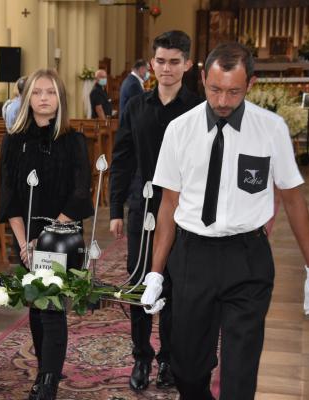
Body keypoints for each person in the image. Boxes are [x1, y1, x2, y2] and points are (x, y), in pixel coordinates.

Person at [143, 41, 309, 399]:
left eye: (234, 92)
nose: (224, 101)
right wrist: (155, 271)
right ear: (201, 79)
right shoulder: (180, 130)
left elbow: (293, 199)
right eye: (215, 90)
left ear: (251, 85)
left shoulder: (270, 129)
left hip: (247, 257)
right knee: (186, 366)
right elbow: (168, 204)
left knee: (240, 371)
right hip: (192, 256)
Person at [109, 30, 201, 393]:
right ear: (152, 64)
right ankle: (141, 357)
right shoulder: (136, 107)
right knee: (138, 284)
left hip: (183, 210)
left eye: (174, 62)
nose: (166, 68)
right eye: (161, 61)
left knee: (175, 288)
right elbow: (121, 158)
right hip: (143, 205)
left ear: (188, 65)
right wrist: (116, 207)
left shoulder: (197, 109)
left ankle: (169, 360)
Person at [0, 69, 93, 399]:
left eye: (50, 93)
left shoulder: (72, 140)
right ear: (27, 99)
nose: (43, 98)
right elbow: (8, 196)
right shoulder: (13, 141)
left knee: (51, 306)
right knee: (36, 307)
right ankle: (43, 370)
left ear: (60, 99)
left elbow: (81, 193)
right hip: (26, 234)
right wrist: (25, 242)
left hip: (60, 233)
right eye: (37, 92)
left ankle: (48, 383)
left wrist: (47, 238)